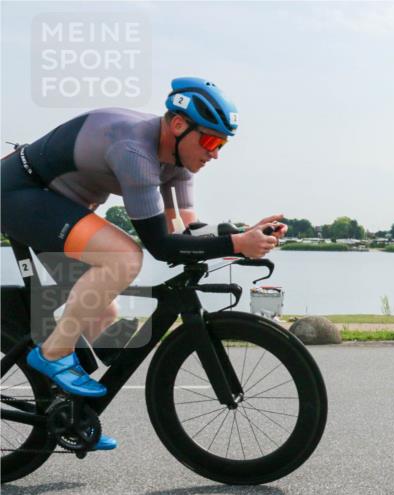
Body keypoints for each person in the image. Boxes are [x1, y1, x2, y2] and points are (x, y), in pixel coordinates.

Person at [0, 77, 286, 450]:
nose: (215, 154)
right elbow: (161, 245)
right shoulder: (135, 151)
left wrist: (243, 236)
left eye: (222, 145)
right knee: (124, 257)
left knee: (103, 314)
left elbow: (189, 231)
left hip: (52, 205)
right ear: (179, 126)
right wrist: (237, 244)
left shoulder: (179, 163)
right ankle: (52, 353)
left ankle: (70, 417)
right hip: (19, 194)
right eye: (210, 142)